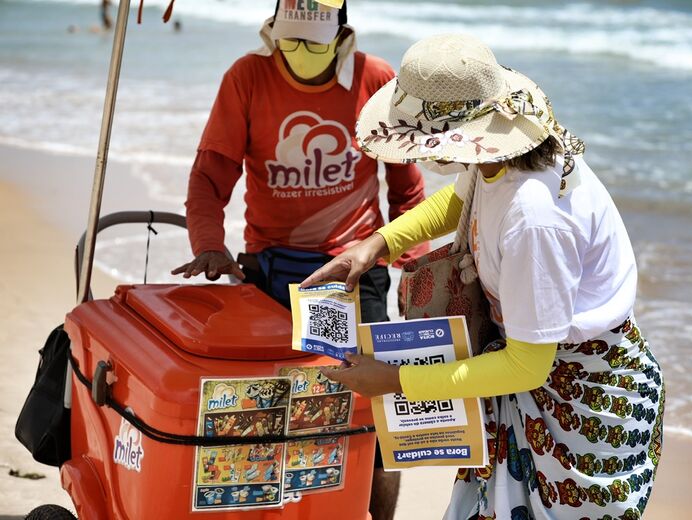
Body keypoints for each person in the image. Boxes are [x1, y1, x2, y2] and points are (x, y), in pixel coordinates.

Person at [303, 34, 665, 519]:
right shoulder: (495, 160)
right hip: (521, 373)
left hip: (578, 397)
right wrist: (377, 244)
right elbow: (461, 200)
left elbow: (527, 367)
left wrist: (396, 381)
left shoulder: (533, 219)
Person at [170, 1, 428, 518]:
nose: (299, 54)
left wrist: (414, 264)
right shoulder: (247, 77)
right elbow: (210, 176)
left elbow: (407, 189)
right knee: (268, 415)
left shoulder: (375, 79)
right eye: (288, 42)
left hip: (357, 268)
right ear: (272, 33)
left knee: (376, 415)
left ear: (342, 35)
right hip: (270, 269)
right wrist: (208, 244)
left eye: (313, 44)